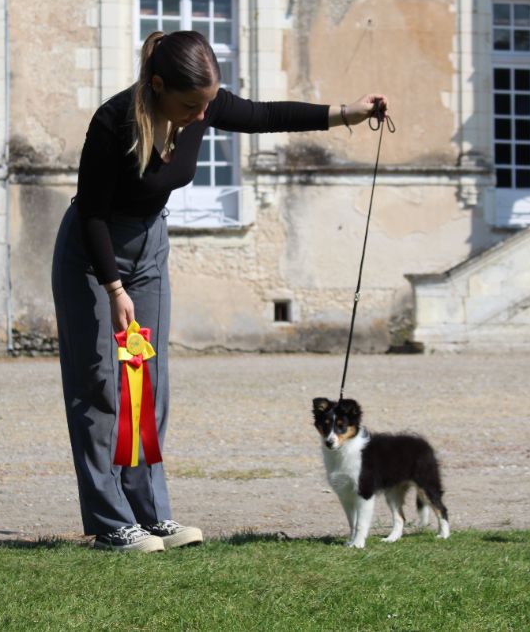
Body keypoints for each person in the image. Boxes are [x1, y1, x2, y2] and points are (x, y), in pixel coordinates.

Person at [51, 30, 389, 552]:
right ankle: (111, 521)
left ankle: (150, 512)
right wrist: (114, 288)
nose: (200, 115)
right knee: (100, 385)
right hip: (93, 258)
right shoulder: (113, 121)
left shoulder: (201, 107)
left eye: (207, 104)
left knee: (146, 386)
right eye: (191, 105)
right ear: (158, 86)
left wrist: (349, 113)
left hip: (148, 249)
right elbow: (92, 212)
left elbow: (266, 116)